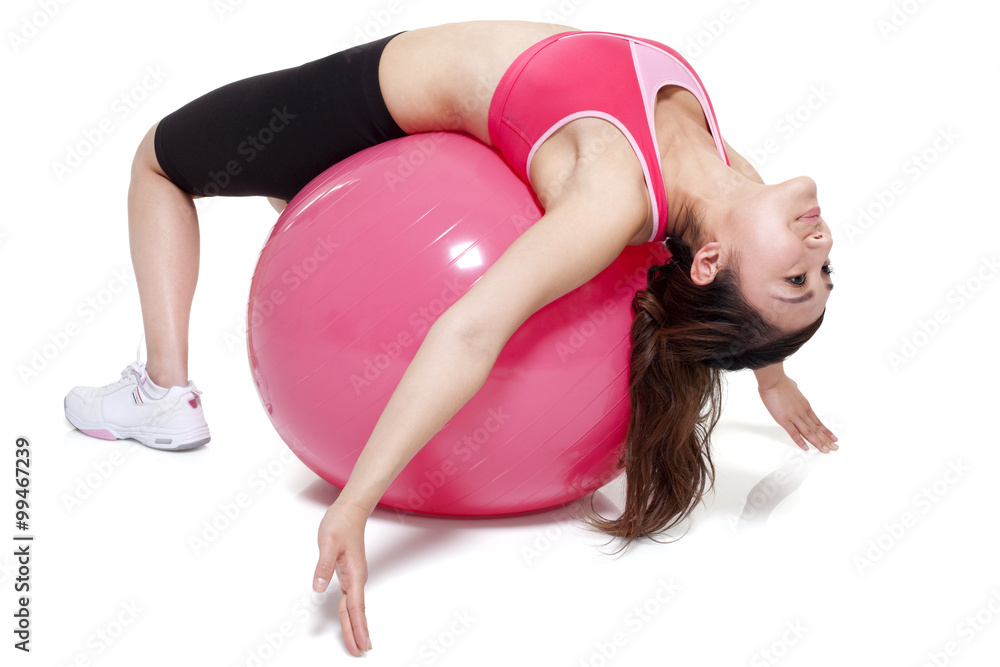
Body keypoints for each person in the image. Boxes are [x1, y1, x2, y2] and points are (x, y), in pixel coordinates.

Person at [63, 20, 838, 656]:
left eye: (794, 280)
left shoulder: (612, 198)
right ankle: (305, 220)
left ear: (707, 262)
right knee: (285, 190)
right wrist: (769, 372)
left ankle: (162, 392)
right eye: (824, 271)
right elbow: (740, 292)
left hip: (373, 103)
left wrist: (355, 503)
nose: (818, 248)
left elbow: (469, 331)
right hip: (403, 156)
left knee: (159, 160)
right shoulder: (726, 175)